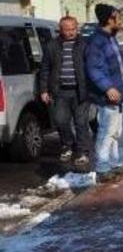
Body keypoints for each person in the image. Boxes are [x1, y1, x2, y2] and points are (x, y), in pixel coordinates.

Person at [85, 4, 123, 182]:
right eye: (117, 17)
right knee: (106, 131)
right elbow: (94, 69)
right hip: (106, 97)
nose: (120, 21)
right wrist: (108, 88)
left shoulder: (110, 38)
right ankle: (102, 168)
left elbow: (117, 68)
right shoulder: (97, 41)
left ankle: (113, 164)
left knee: (115, 131)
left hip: (116, 94)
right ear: (109, 20)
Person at [39, 16, 92, 168]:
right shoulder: (52, 46)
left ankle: (82, 152)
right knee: (61, 120)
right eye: (67, 30)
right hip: (60, 91)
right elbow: (45, 69)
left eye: (73, 29)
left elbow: (93, 67)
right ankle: (67, 145)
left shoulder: (85, 44)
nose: (70, 33)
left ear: (77, 28)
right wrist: (44, 90)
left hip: (81, 91)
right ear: (61, 30)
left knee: (81, 122)